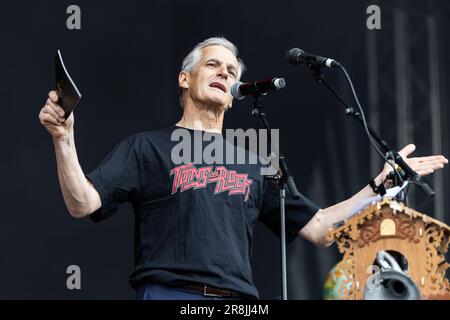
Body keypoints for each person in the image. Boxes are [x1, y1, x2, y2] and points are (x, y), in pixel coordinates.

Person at [38, 37, 448, 300]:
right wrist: (63, 137)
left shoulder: (256, 159)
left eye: (232, 71)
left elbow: (320, 228)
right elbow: (83, 203)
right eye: (214, 65)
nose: (225, 73)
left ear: (235, 96)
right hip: (172, 294)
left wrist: (379, 185)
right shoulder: (148, 147)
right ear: (185, 78)